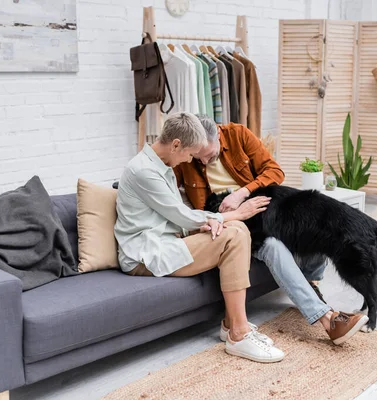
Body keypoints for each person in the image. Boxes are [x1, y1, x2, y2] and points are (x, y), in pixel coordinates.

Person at [173, 115, 370, 345]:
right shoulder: (188, 156)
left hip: (260, 208)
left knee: (315, 223)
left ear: (217, 134)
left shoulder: (238, 135)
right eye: (198, 157)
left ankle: (312, 284)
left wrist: (243, 192)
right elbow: (166, 182)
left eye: (208, 155)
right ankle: (328, 320)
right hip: (228, 221)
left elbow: (274, 172)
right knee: (272, 246)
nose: (203, 162)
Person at [114, 112, 285, 363]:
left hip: (167, 242)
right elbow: (180, 214)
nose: (190, 160)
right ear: (176, 145)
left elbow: (174, 216)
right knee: (234, 234)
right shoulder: (143, 171)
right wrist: (233, 214)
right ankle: (238, 334)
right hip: (145, 254)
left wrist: (210, 224)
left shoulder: (162, 164)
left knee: (236, 230)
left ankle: (232, 325)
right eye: (189, 154)